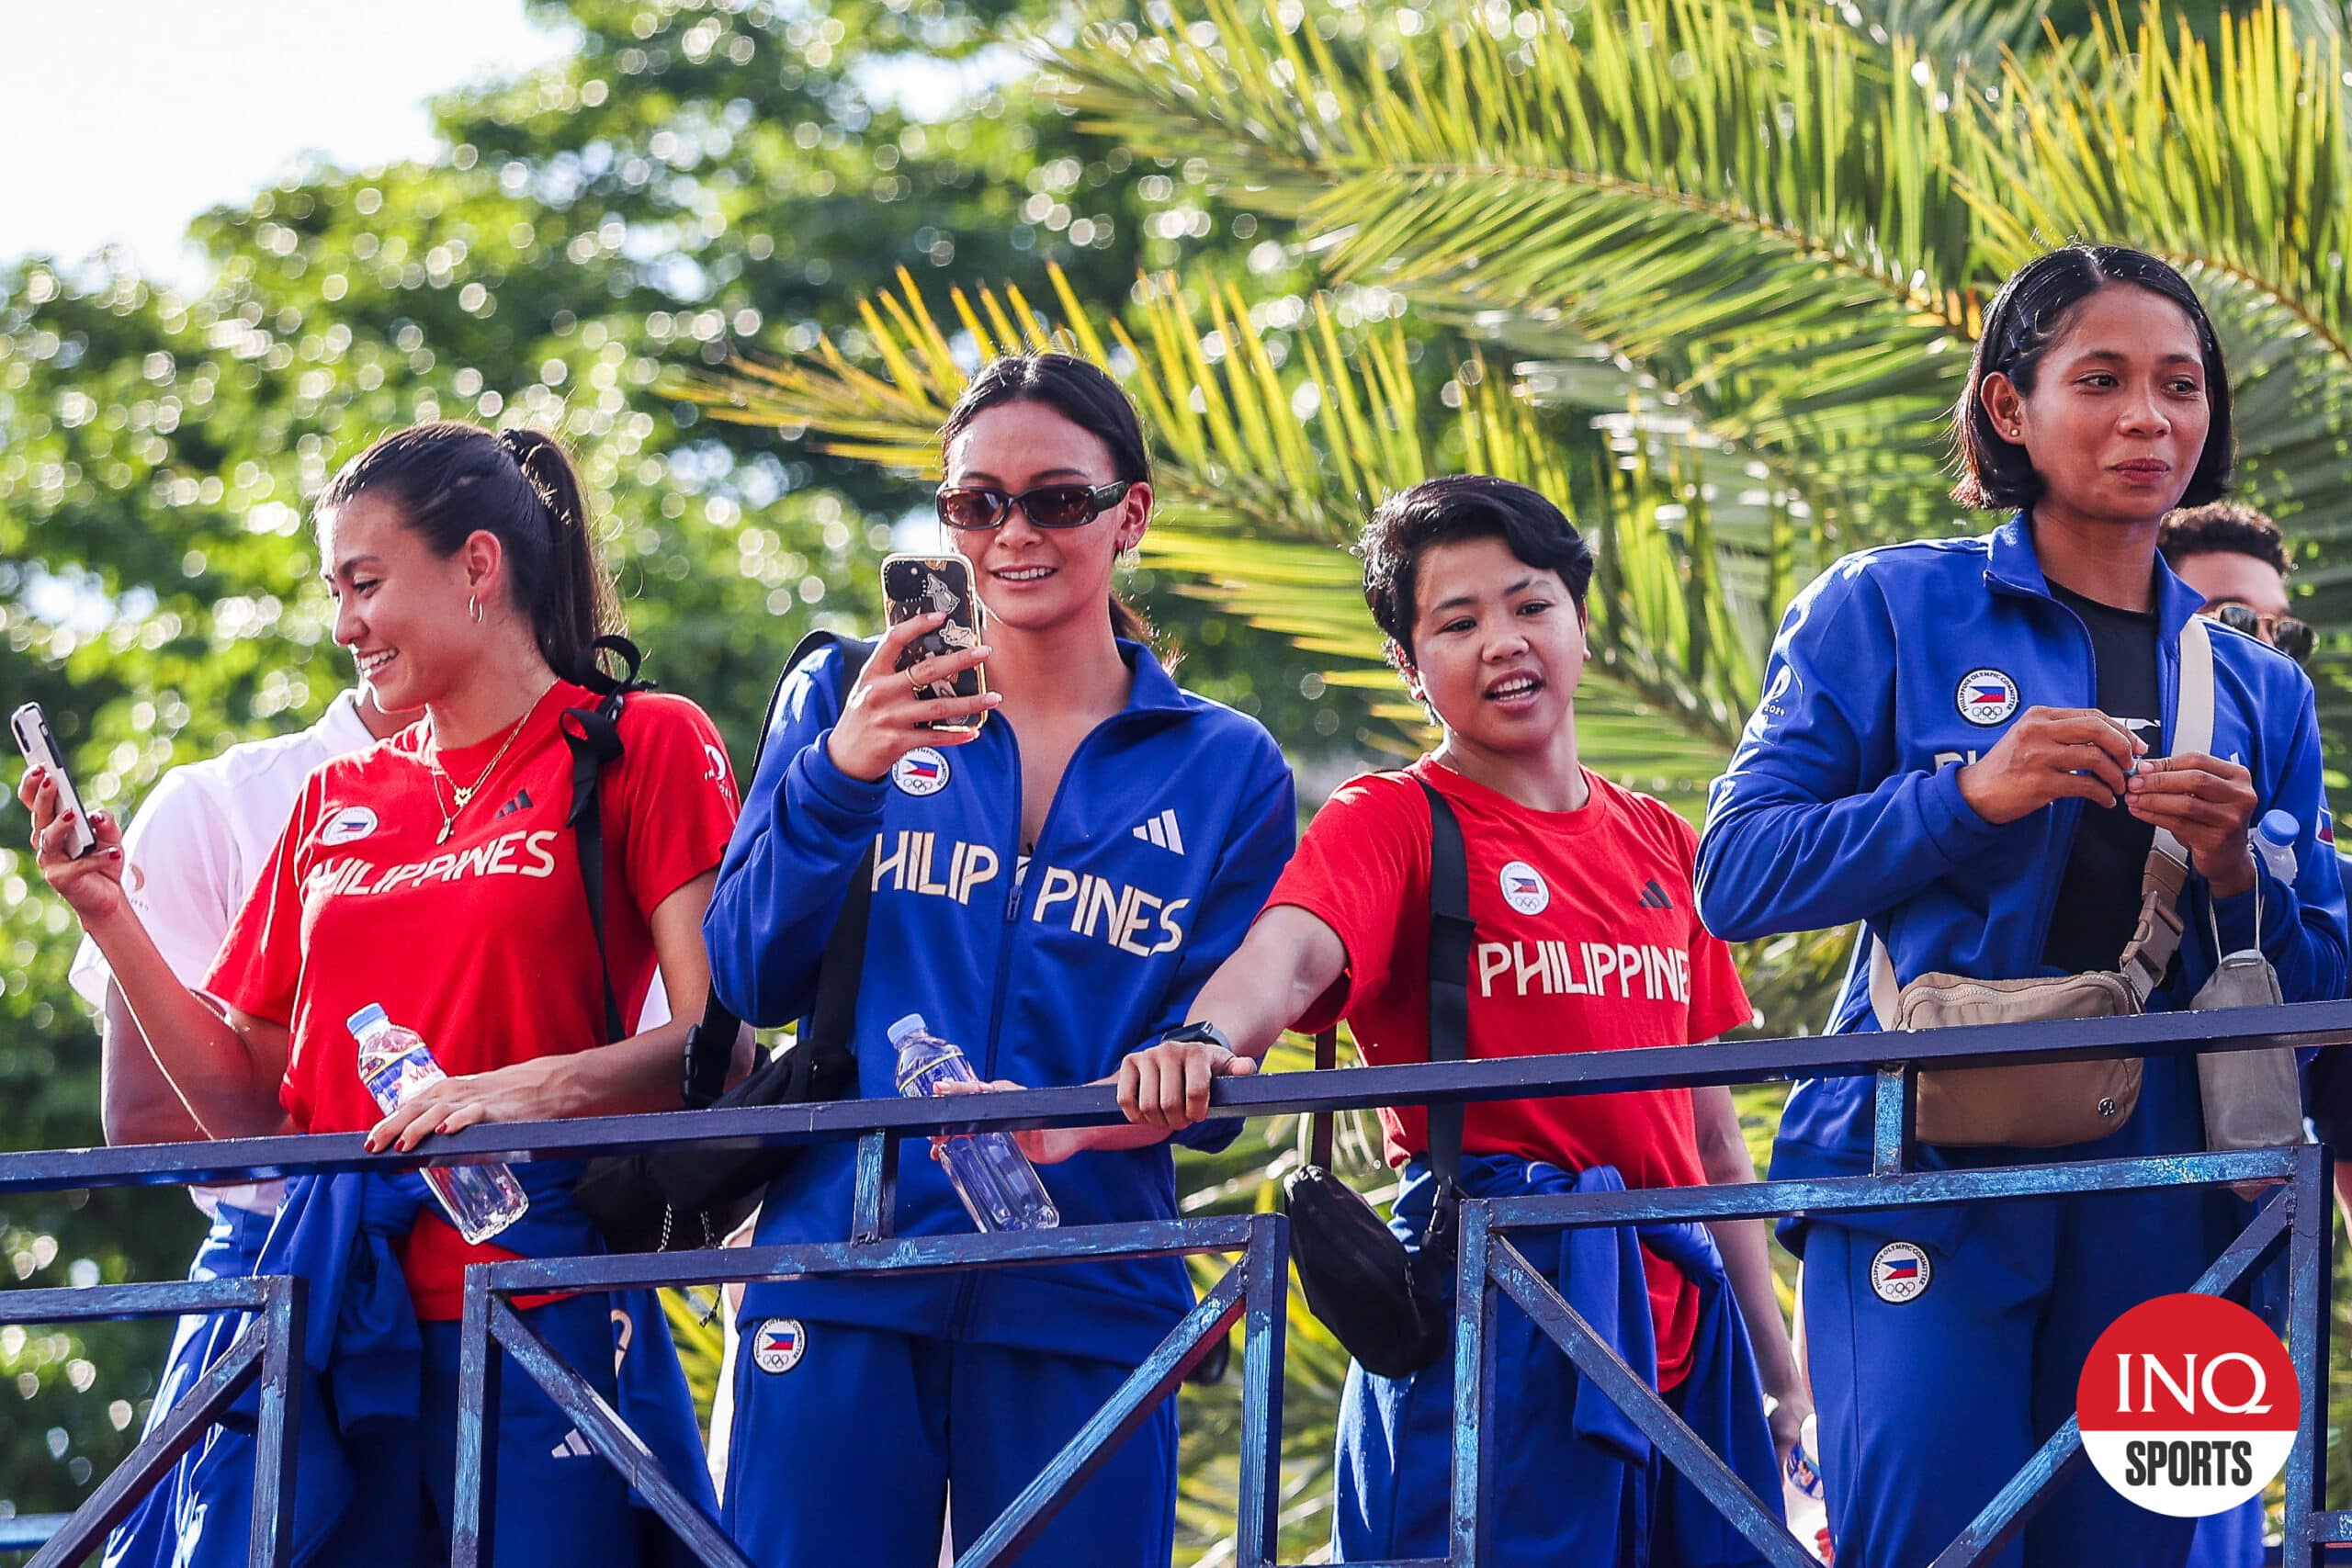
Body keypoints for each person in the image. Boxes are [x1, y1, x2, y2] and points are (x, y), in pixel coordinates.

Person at [1696, 245, 2347, 1568]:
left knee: (2166, 1550)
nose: (2147, 419)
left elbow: (2320, 976)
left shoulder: (2258, 687)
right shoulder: (1886, 605)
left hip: (2181, 1202)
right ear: (2010, 406)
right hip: (1917, 1173)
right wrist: (1965, 796)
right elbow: (1736, 875)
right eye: (2099, 380)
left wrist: (2239, 871)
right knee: (1931, 1545)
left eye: (2180, 385)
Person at [23, 421, 740, 1566]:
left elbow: (718, 1047)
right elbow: (248, 1112)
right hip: (323, 1311)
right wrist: (108, 914)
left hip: (533, 1302)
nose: (343, 625)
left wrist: (511, 1094)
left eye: (365, 583)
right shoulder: (334, 797)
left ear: (476, 567)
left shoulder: (639, 741)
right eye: (332, 590)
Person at [1104, 476, 1792, 1566]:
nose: (1503, 642)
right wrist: (1200, 1040)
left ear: (1577, 618)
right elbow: (1286, 956)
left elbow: (1710, 1136)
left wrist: (1779, 1375)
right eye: (1457, 622)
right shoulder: (1394, 820)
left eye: (1529, 605)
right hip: (1497, 1311)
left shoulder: (1662, 840)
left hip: (1678, 1326)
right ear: (1409, 666)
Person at [703, 352, 1296, 1568]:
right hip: (840, 1268)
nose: (1013, 533)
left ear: (1129, 514)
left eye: (1057, 500)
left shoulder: (1228, 766)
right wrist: (840, 774)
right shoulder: (843, 692)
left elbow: (1209, 1070)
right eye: (976, 503)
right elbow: (748, 971)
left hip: (1085, 1290)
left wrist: (1068, 1123)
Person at [64, 679, 405, 1568]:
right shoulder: (225, 803)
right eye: (345, 582)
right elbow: (139, 1117)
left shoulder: (590, 775)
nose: (351, 622)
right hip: (276, 1281)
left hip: (501, 1288)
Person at [2159, 502, 2317, 1568]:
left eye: (2273, 630)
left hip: (2229, 1263)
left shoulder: (2316, 866)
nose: (2253, 653)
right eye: (2220, 619)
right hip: (2030, 1216)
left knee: (2202, 1545)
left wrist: (2245, 876)